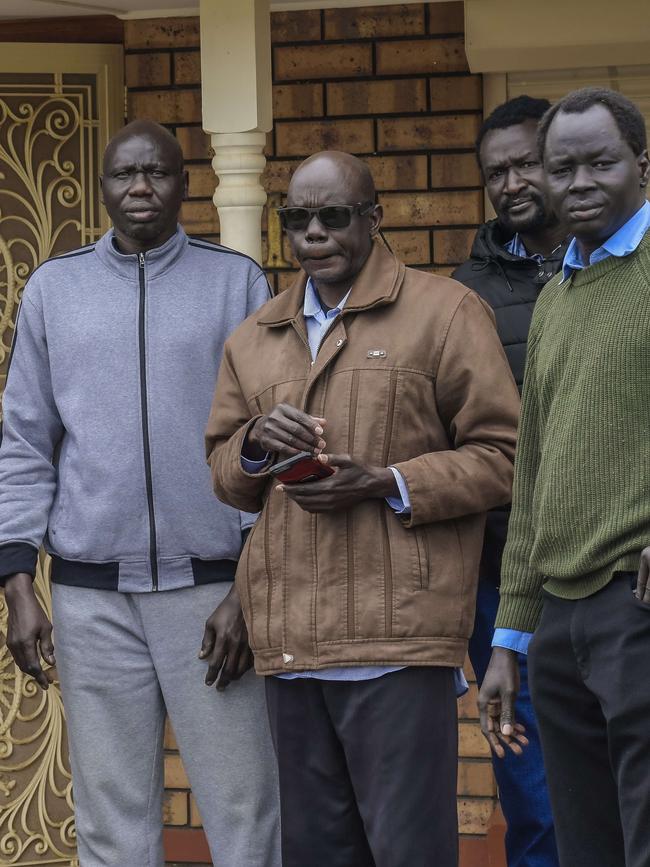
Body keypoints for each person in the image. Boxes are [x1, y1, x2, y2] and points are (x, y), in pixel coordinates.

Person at [205, 149, 520, 867]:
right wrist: (254, 442)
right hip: (291, 645)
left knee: (409, 853)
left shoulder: (445, 312)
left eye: (334, 216)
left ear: (374, 219)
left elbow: (505, 456)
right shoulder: (255, 337)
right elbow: (226, 472)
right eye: (297, 218)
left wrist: (387, 479)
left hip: (398, 641)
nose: (313, 232)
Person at [0, 120, 280, 866]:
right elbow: (25, 439)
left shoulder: (237, 281)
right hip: (94, 602)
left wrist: (249, 591)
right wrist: (17, 579)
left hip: (213, 594)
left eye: (157, 173)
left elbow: (268, 443)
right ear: (103, 187)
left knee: (246, 809)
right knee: (111, 819)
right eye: (125, 175)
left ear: (185, 184)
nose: (141, 188)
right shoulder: (55, 290)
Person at [478, 87, 650, 867]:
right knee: (586, 846)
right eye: (562, 166)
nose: (579, 182)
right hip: (558, 620)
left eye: (600, 162)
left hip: (636, 604)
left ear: (641, 165)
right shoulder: (556, 298)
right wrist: (509, 638)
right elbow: (534, 471)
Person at [453, 95, 566, 867]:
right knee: (536, 798)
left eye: (527, 162)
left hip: (620, 573)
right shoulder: (464, 297)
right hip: (503, 579)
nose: (513, 181)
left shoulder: (629, 270)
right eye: (497, 171)